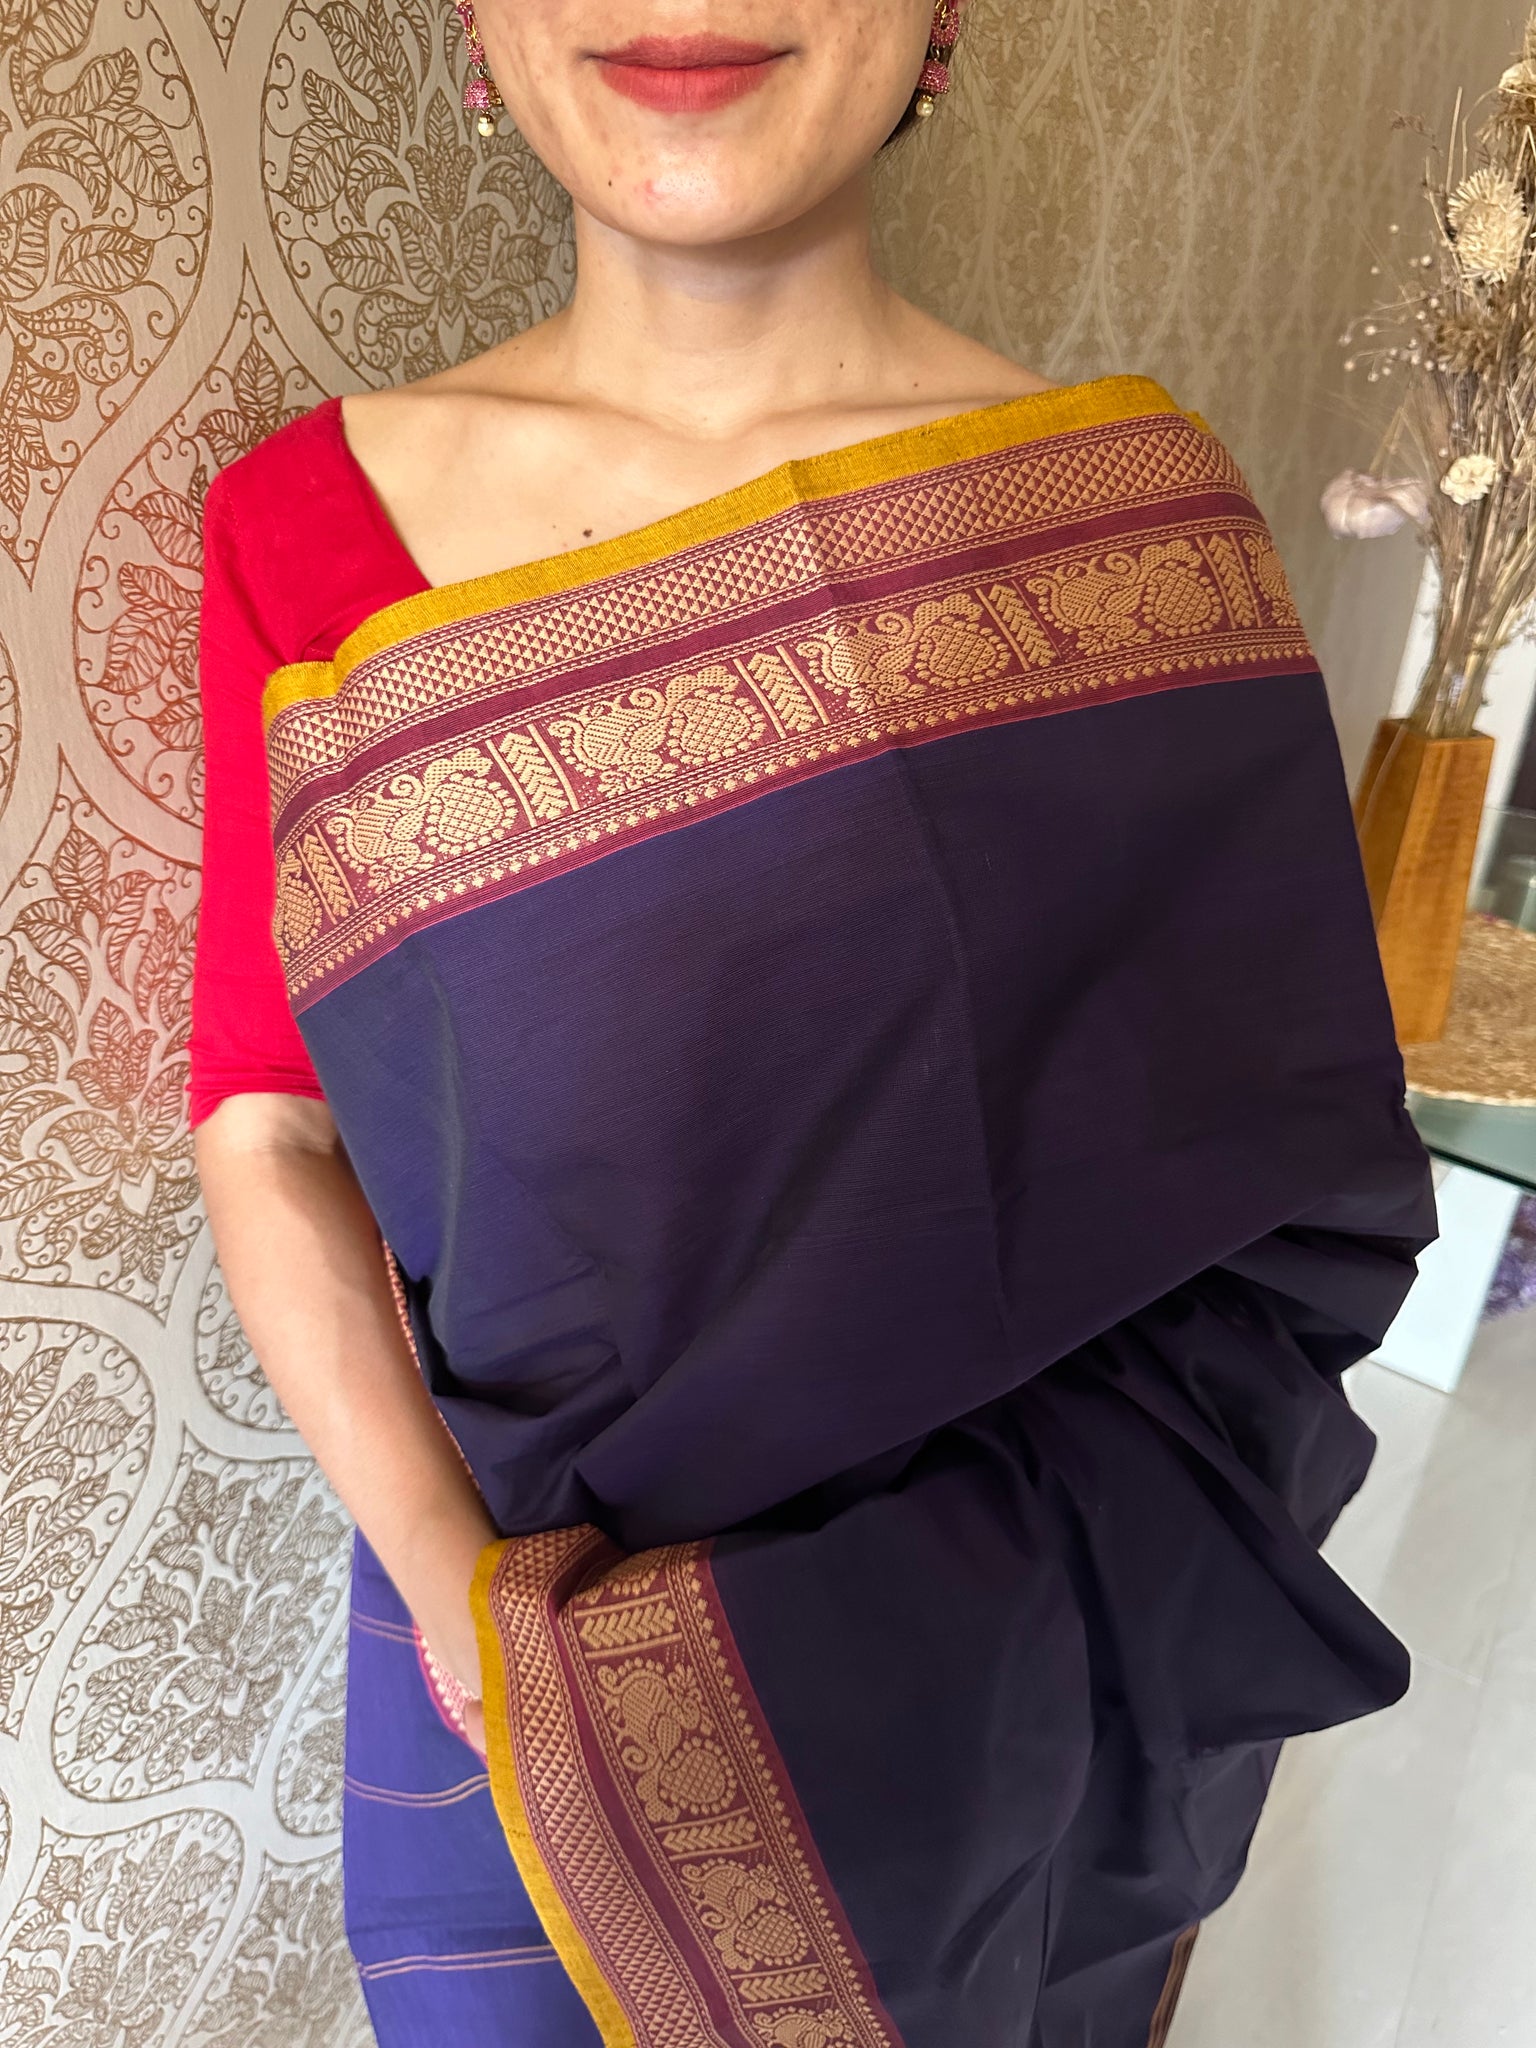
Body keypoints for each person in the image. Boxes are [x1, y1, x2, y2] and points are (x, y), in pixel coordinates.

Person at [189, 4, 1436, 2044]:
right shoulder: (300, 529)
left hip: (1012, 1667)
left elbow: (1267, 1190)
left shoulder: (1123, 527)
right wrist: (464, 1609)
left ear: (941, 19)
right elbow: (271, 1120)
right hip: (522, 1640)